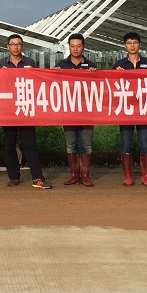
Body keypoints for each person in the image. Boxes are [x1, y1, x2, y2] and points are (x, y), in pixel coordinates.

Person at [0, 34, 52, 189]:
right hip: (7, 109)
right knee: (9, 144)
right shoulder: (0, 64)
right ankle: (14, 177)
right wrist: (0, 75)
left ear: (22, 46)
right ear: (7, 47)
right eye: (13, 44)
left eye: (18, 44)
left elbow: (37, 83)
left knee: (30, 144)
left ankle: (37, 177)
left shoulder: (29, 62)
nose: (16, 47)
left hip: (25, 108)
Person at [113, 32, 147, 187]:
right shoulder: (119, 65)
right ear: (124, 45)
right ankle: (128, 176)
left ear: (140, 44)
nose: (132, 46)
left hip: (144, 109)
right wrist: (116, 75)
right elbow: (111, 86)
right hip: (126, 109)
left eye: (135, 42)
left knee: (145, 144)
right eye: (129, 43)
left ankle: (146, 176)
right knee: (126, 144)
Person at [55, 33, 95, 187]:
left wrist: (94, 74)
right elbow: (54, 84)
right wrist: (55, 73)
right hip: (69, 111)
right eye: (72, 46)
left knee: (86, 145)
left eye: (78, 46)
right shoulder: (62, 65)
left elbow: (98, 86)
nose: (75, 49)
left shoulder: (90, 65)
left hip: (86, 111)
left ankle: (85, 176)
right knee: (71, 144)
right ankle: (73, 175)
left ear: (83, 47)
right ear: (69, 47)